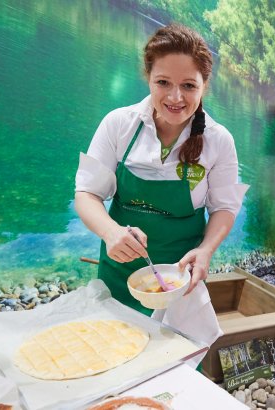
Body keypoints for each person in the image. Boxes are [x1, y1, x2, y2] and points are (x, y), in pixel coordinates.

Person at [74, 24, 248, 315]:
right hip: (118, 273)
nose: (175, 97)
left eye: (189, 85)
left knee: (179, 355)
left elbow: (224, 208)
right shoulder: (118, 124)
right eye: (163, 82)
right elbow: (87, 193)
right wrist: (110, 232)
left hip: (181, 280)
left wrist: (205, 251)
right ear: (148, 79)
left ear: (204, 85)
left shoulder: (219, 140)